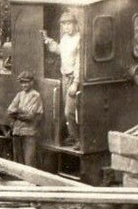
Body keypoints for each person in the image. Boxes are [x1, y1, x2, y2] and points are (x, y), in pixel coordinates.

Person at [43, 12, 82, 147]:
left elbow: (79, 62)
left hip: (74, 79)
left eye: (69, 24)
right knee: (66, 111)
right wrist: (48, 40)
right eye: (64, 24)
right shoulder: (65, 38)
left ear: (75, 24)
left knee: (70, 111)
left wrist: (76, 83)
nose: (66, 27)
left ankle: (78, 139)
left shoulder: (79, 39)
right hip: (65, 77)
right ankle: (72, 135)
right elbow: (60, 51)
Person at [6, 71, 43, 167]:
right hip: (17, 132)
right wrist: (21, 112)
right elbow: (10, 111)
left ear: (32, 82)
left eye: (26, 82)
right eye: (22, 83)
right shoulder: (19, 95)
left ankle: (30, 182)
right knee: (18, 162)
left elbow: (30, 116)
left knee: (29, 162)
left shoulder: (36, 95)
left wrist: (17, 113)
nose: (24, 85)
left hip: (29, 133)